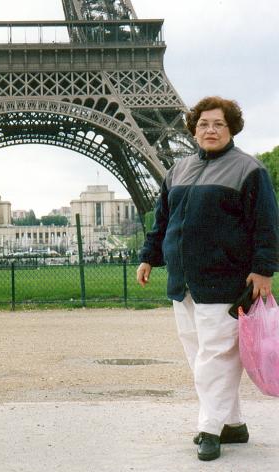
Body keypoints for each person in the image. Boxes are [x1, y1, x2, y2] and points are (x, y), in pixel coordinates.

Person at [136, 96, 279, 461]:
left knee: (214, 356)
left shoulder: (249, 170)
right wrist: (149, 257)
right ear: (193, 129)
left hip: (224, 280)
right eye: (203, 124)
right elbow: (162, 221)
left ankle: (209, 428)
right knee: (199, 352)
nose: (210, 130)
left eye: (218, 124)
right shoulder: (178, 169)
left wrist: (263, 268)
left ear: (231, 129)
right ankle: (232, 422)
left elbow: (266, 223)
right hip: (184, 280)